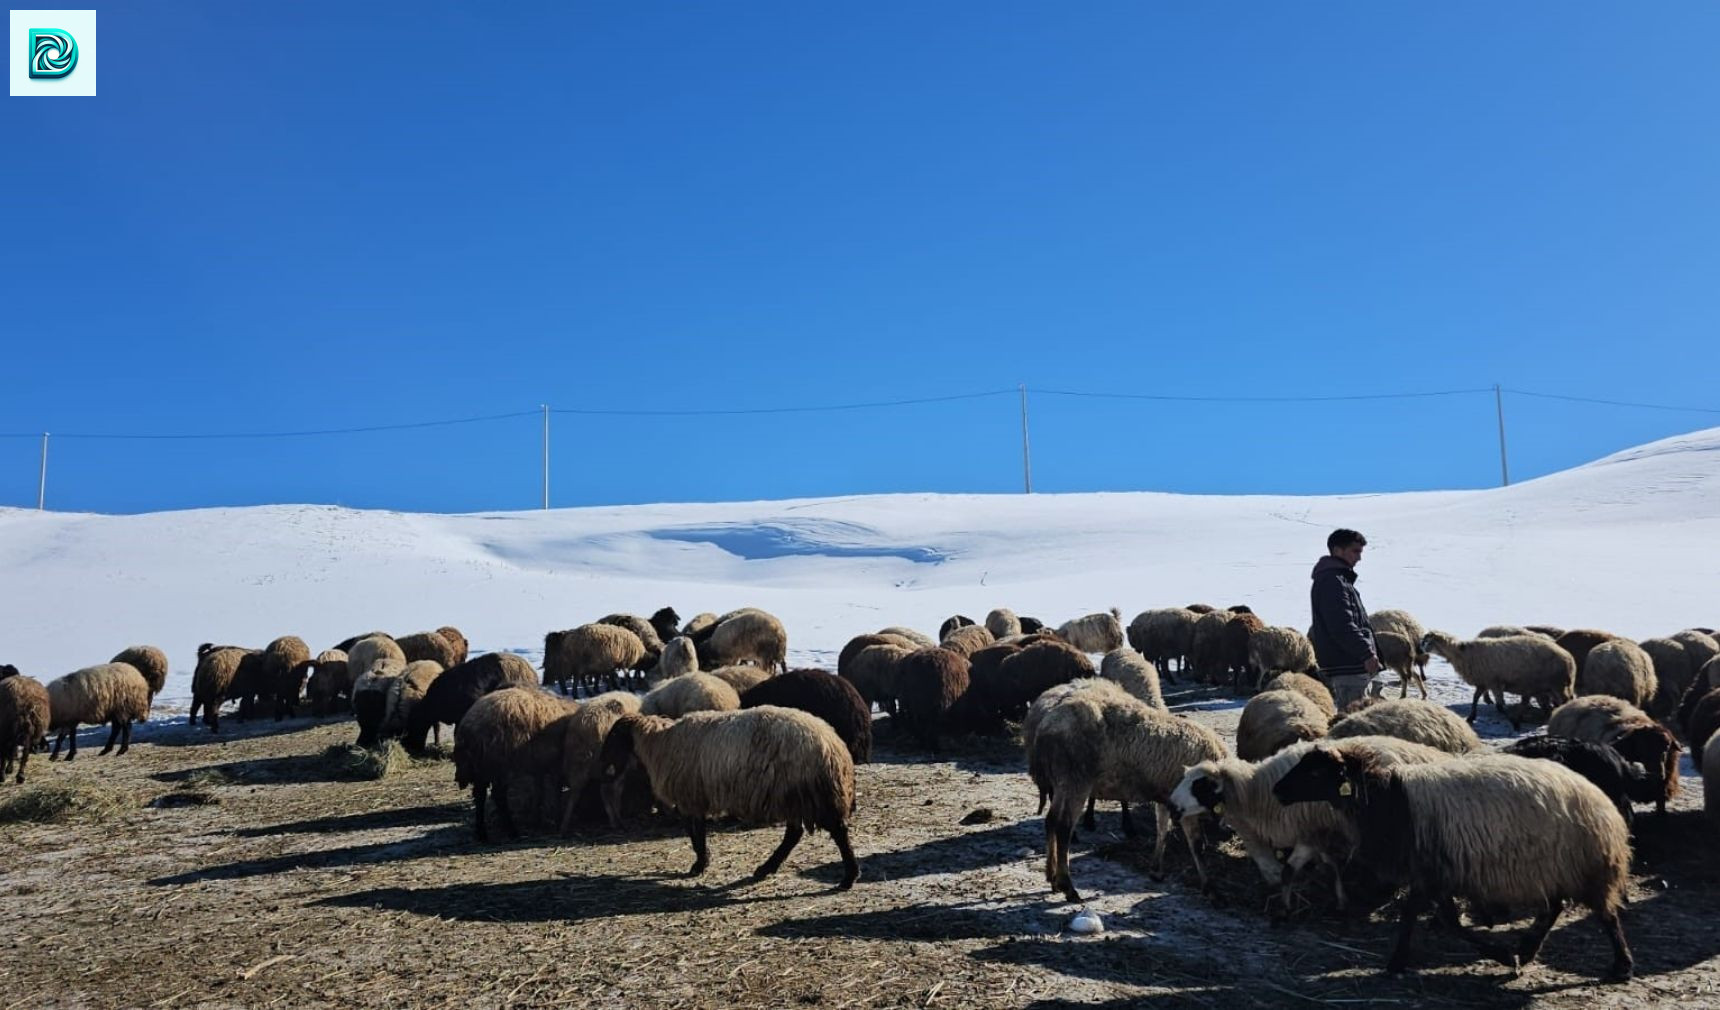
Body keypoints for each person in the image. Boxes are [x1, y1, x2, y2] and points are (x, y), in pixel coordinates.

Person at [1309, 528, 1379, 708]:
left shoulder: (1338, 579)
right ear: (1338, 550)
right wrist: (1366, 653)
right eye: (1355, 551)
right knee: (1354, 722)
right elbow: (1341, 624)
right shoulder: (1333, 581)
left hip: (1350, 663)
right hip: (1348, 666)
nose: (1359, 558)